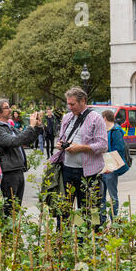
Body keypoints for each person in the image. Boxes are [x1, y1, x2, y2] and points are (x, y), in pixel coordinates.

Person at [49, 87, 107, 229]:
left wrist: (81, 148)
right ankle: (65, 239)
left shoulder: (96, 118)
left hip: (88, 173)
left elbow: (103, 145)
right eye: (68, 104)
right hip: (67, 170)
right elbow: (62, 138)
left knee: (88, 208)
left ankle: (85, 240)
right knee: (64, 209)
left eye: (73, 104)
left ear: (83, 101)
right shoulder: (67, 117)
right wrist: (60, 144)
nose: (70, 107)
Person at [0, 99, 41, 215]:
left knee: (16, 206)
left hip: (17, 169)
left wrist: (37, 127)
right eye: (6, 107)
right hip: (8, 172)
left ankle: (14, 230)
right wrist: (30, 126)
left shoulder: (9, 127)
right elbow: (16, 141)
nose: (10, 110)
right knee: (10, 206)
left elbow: (26, 140)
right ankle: (9, 232)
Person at [100, 110, 129, 224]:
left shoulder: (116, 131)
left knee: (112, 195)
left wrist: (111, 167)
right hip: (102, 166)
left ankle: (114, 221)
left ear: (105, 119)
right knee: (101, 195)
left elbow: (119, 150)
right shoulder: (105, 130)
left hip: (110, 167)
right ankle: (102, 221)